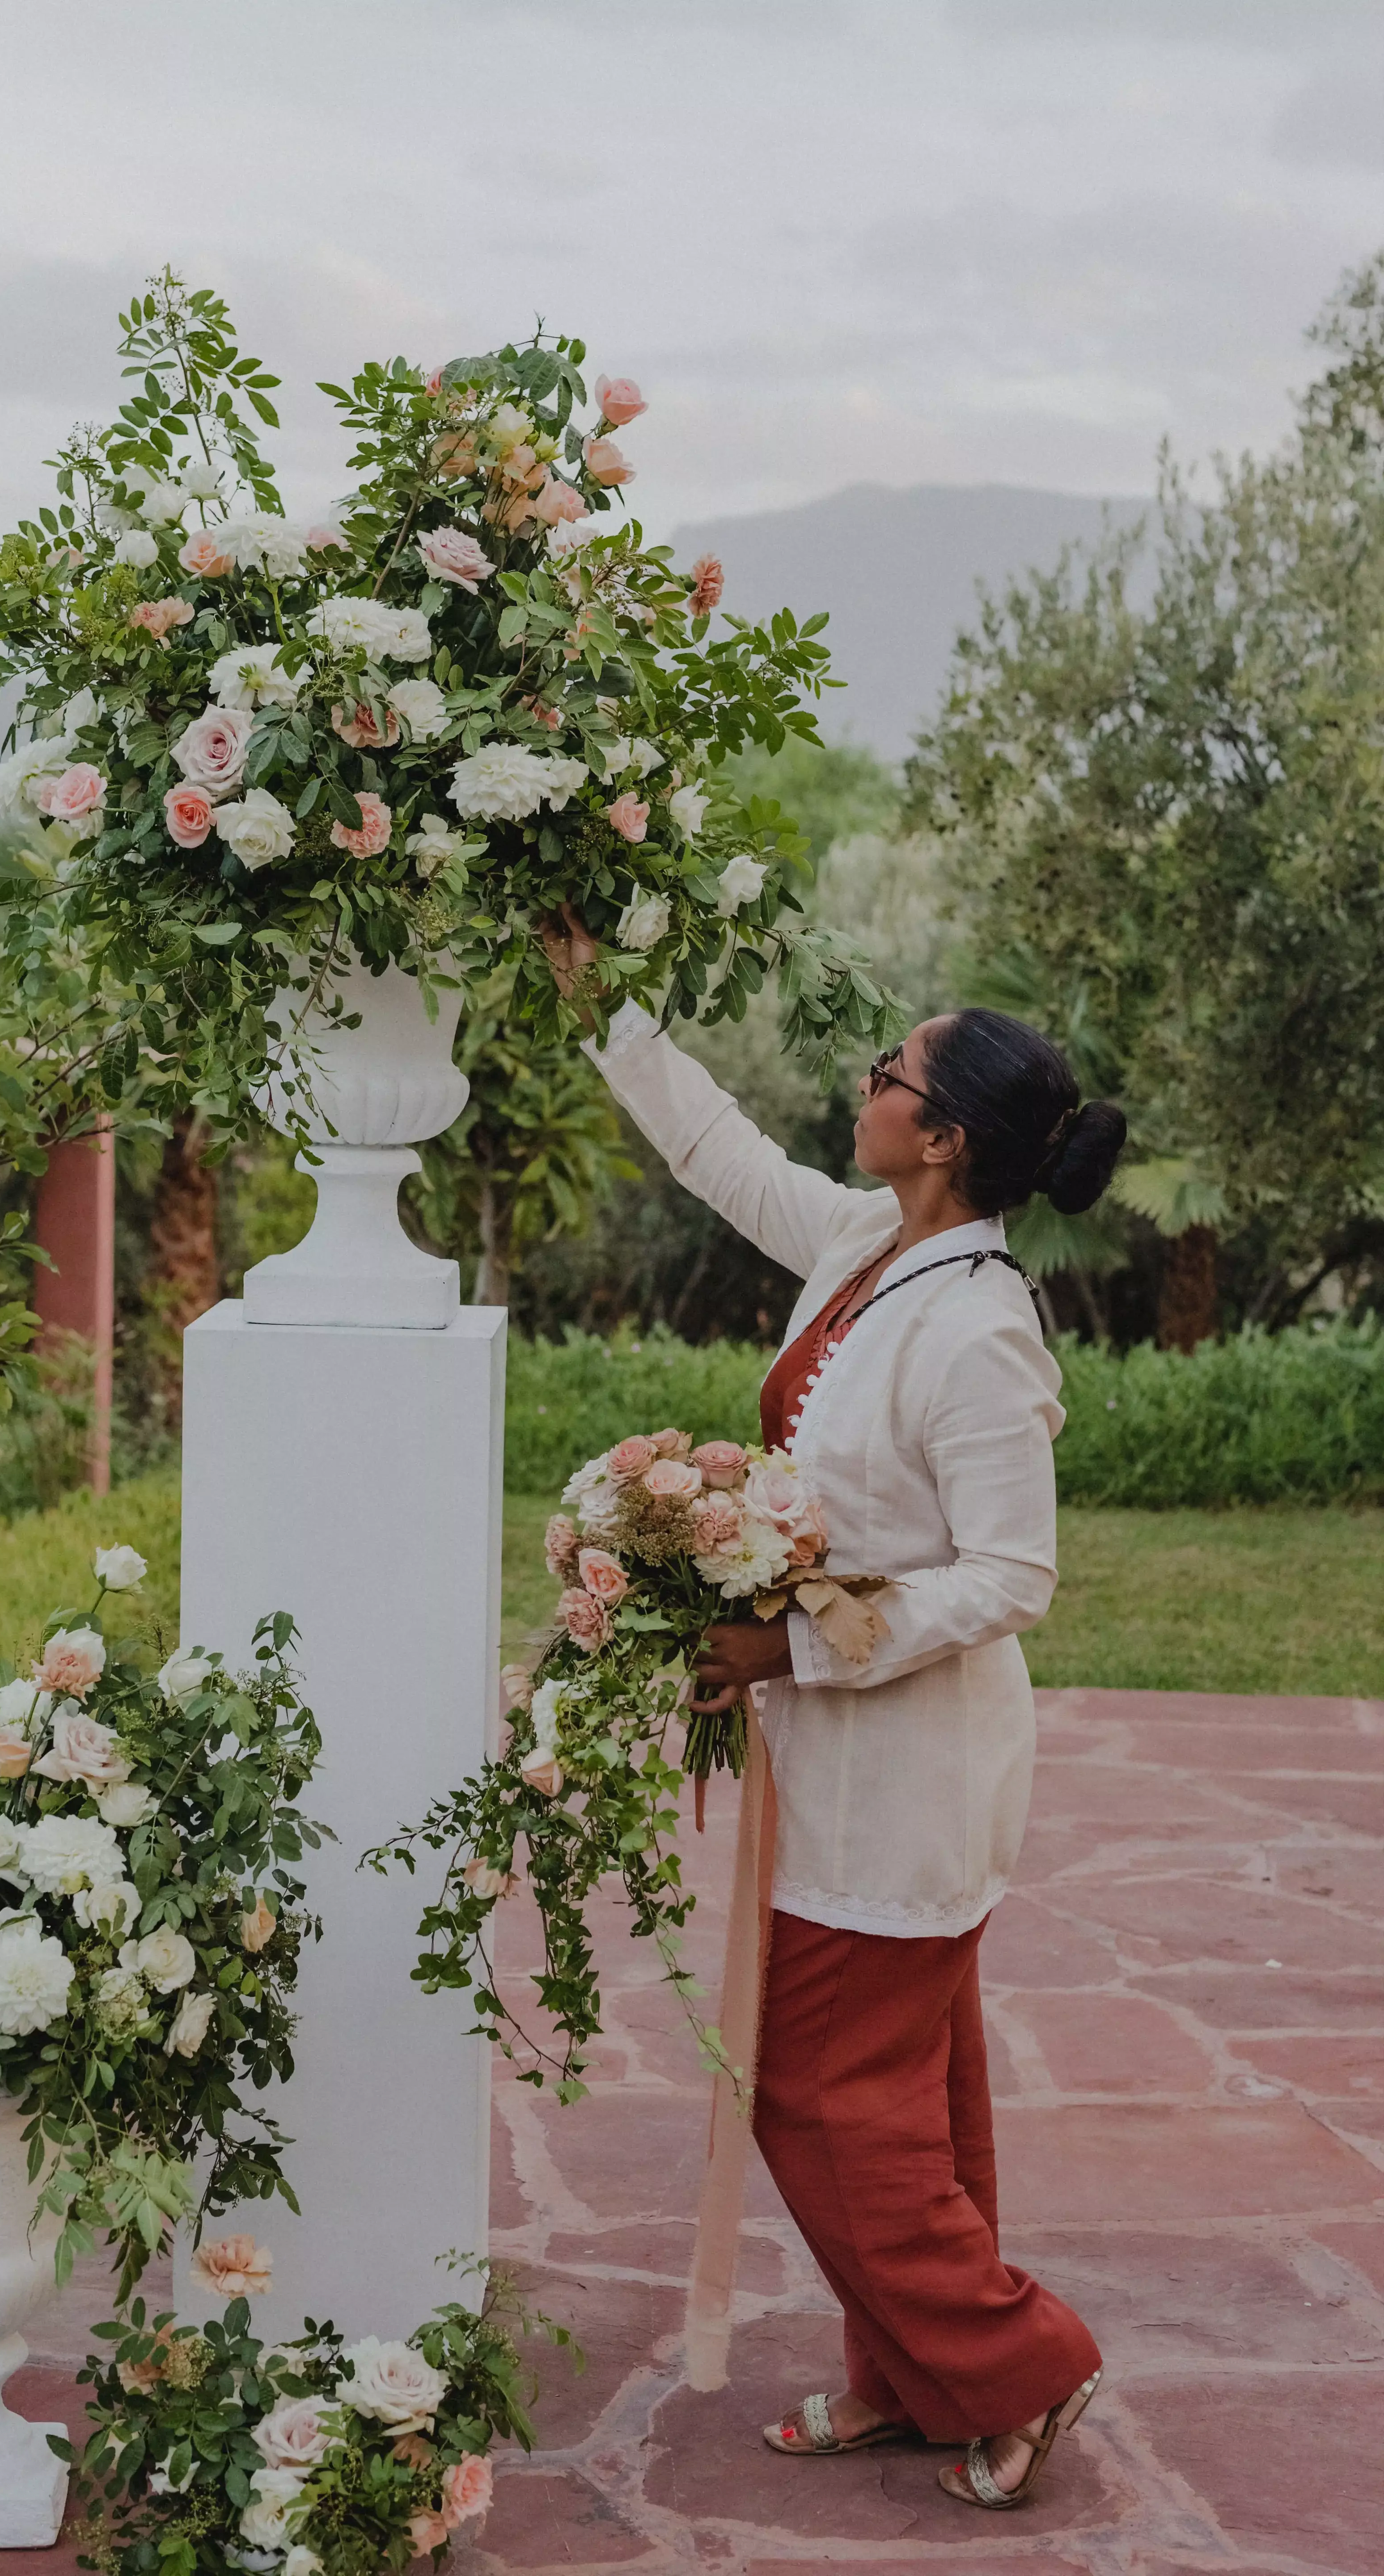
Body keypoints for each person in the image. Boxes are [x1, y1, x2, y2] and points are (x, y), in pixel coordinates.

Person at [542, 906, 1126, 2512]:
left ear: (937, 1138)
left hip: (914, 1764)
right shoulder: (871, 1252)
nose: (856, 1090)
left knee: (820, 2089)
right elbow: (715, 1152)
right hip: (843, 1753)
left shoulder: (979, 1328)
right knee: (913, 2093)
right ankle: (919, 2383)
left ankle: (1025, 2362)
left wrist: (798, 1650)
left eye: (887, 1077)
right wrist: (612, 1008)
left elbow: (1014, 1574)